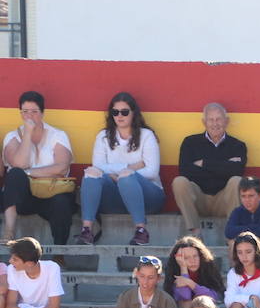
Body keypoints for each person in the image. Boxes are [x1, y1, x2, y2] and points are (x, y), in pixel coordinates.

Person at [77, 92, 162, 247]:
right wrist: (130, 168)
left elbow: (152, 172)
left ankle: (141, 231)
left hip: (148, 197)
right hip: (114, 197)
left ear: (133, 113)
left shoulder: (146, 135)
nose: (119, 116)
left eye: (124, 112)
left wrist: (124, 175)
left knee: (127, 178)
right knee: (90, 175)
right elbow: (98, 168)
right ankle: (86, 230)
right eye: (115, 112)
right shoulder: (103, 136)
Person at [2, 90, 74, 245]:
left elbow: (61, 167)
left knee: (61, 203)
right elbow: (19, 165)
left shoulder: (58, 135)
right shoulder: (13, 136)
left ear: (42, 113)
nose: (29, 116)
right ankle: (9, 232)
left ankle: (59, 252)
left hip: (51, 192)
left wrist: (29, 172)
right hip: (24, 198)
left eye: (34, 112)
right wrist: (27, 134)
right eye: (25, 112)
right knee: (15, 174)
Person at [170, 103, 245, 237]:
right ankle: (195, 233)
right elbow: (185, 171)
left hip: (223, 201)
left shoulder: (237, 145)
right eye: (211, 119)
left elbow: (237, 171)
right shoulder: (190, 143)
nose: (215, 124)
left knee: (236, 181)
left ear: (226, 121)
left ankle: (232, 236)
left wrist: (204, 163)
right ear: (204, 122)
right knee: (179, 182)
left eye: (219, 119)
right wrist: (224, 165)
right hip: (198, 199)